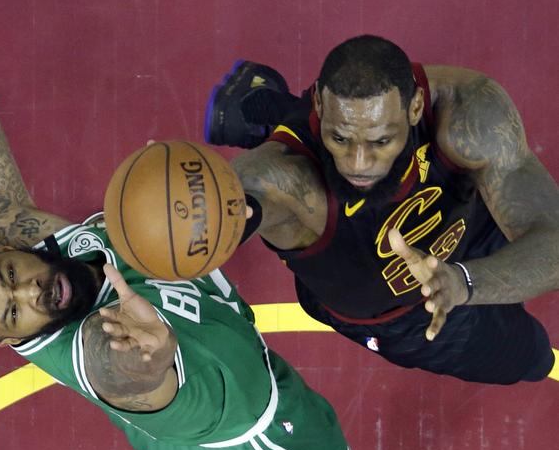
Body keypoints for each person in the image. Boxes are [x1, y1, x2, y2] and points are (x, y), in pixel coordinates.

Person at [0, 60, 354, 450]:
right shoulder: (91, 350)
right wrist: (150, 359)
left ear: (7, 249)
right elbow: (117, 373)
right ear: (13, 339)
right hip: (252, 429)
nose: (30, 292)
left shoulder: (17, 228)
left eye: (9, 274)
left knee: (265, 186)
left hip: (214, 324)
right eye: (12, 314)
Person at [204, 35, 558, 385]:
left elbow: (553, 241)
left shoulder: (469, 111)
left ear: (416, 108)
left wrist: (462, 281)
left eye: (380, 141)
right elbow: (228, 204)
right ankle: (281, 127)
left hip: (468, 220)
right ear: (320, 104)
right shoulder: (285, 181)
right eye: (339, 139)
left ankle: (275, 115)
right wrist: (187, 208)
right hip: (400, 314)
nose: (358, 163)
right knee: (534, 357)